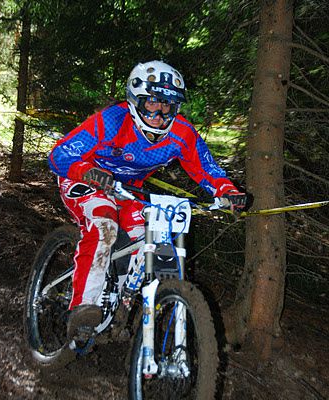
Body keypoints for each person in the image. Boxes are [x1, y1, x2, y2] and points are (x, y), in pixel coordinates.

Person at [48, 60, 246, 339]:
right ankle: (84, 306)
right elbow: (59, 155)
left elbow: (206, 167)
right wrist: (86, 170)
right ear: (135, 99)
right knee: (105, 224)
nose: (159, 113)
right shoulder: (111, 121)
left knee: (149, 238)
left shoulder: (181, 132)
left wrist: (227, 192)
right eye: (152, 102)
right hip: (83, 177)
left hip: (129, 190)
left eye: (167, 105)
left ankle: (122, 304)